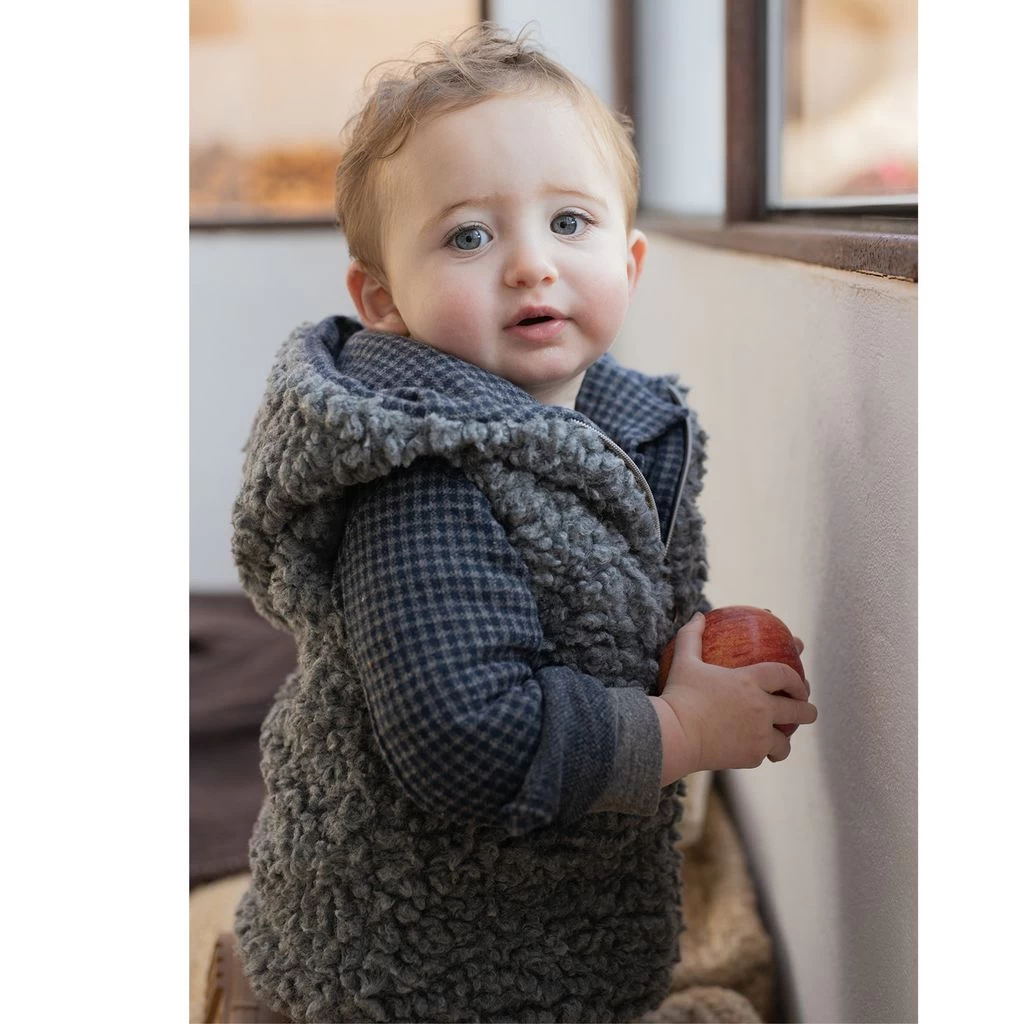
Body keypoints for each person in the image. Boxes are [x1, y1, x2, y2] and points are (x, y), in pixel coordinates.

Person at [230, 21, 818, 1023]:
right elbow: (465, 734)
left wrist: (685, 656)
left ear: (631, 261)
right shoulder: (417, 474)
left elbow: (608, 599)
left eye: (570, 222)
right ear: (383, 300)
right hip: (417, 965)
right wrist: (680, 727)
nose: (531, 266)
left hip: (549, 926)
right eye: (470, 236)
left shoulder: (621, 426)